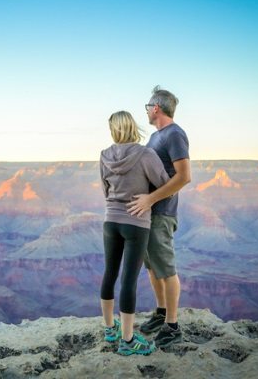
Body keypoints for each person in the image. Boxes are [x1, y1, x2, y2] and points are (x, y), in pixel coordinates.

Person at [99, 110, 169, 356]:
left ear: (114, 130)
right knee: (128, 279)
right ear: (132, 127)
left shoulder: (105, 155)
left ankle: (110, 329)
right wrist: (148, 197)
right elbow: (165, 184)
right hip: (136, 223)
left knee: (110, 273)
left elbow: (105, 189)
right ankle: (127, 341)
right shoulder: (145, 154)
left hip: (110, 220)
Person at [127, 85, 191, 349]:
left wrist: (151, 199)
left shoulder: (174, 134)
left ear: (156, 108)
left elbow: (184, 177)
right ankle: (162, 313)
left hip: (161, 212)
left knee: (165, 268)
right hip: (148, 213)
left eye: (147, 107)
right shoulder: (156, 137)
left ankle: (173, 326)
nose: (146, 111)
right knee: (153, 267)